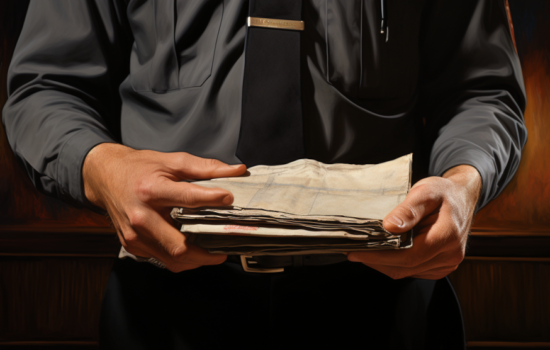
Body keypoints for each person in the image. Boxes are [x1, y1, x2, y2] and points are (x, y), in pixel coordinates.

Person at [2, 0, 526, 349]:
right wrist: (101, 168)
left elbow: (483, 91)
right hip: (164, 306)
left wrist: (463, 184)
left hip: (383, 302)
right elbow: (45, 89)